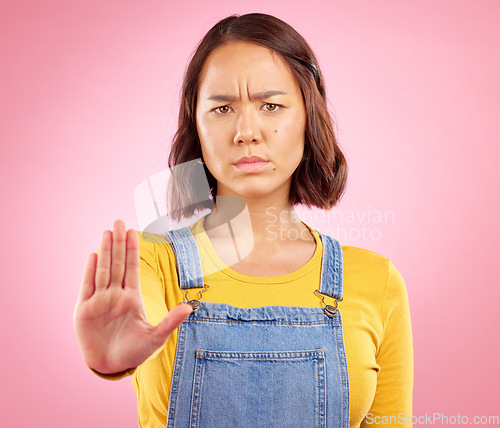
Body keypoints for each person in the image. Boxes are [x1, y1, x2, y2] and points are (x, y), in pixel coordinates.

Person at [74, 13, 413, 428]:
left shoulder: (375, 280)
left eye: (271, 106)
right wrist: (112, 361)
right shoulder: (149, 262)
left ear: (309, 116)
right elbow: (133, 321)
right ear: (196, 124)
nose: (246, 131)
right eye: (222, 108)